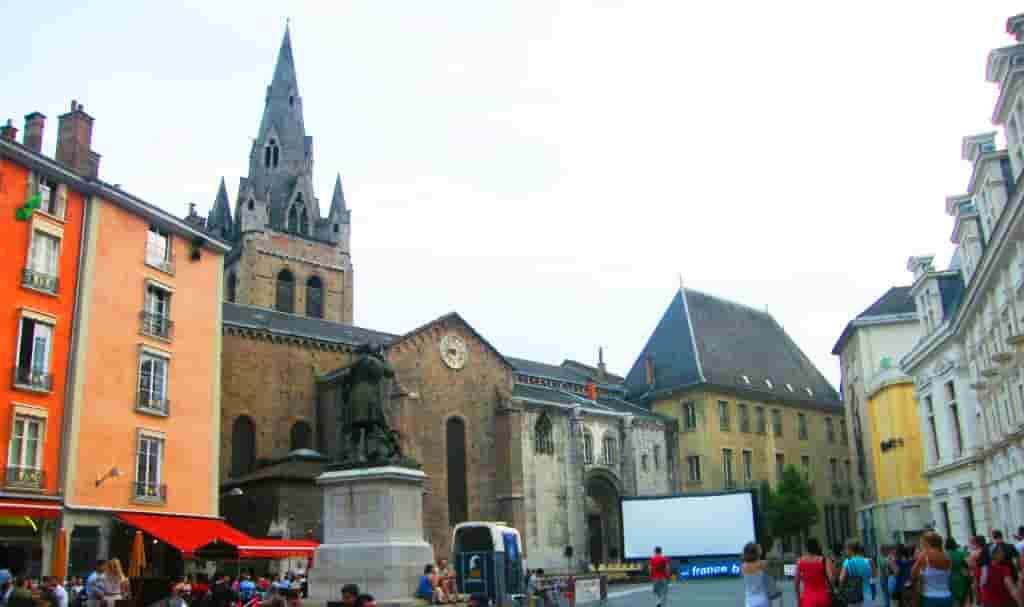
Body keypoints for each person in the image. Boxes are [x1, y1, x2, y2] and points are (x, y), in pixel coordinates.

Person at [910, 532, 952, 607]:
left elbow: (913, 574)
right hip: (947, 596)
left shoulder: (924, 556)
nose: (921, 545)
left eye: (921, 543)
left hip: (930, 598)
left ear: (927, 543)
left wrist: (918, 560)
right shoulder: (947, 556)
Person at [796, 538, 834, 607]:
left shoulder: (799, 561)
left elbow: (796, 582)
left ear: (806, 548)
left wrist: (799, 598)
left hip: (807, 599)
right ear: (817, 547)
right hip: (823, 597)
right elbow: (831, 579)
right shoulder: (824, 560)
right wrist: (830, 589)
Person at [742, 542, 777, 607]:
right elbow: (774, 572)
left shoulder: (743, 566)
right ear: (756, 552)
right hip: (762, 599)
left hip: (750, 601)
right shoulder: (762, 564)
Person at [841, 539, 873, 607]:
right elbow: (874, 575)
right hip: (867, 594)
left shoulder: (847, 562)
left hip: (854, 596)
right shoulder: (868, 561)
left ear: (850, 549)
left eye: (846, 549)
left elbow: (841, 579)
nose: (845, 551)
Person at [944, 538, 969, 607]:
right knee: (962, 598)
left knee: (953, 600)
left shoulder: (944, 554)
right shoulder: (961, 553)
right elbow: (968, 564)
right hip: (961, 577)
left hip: (948, 578)